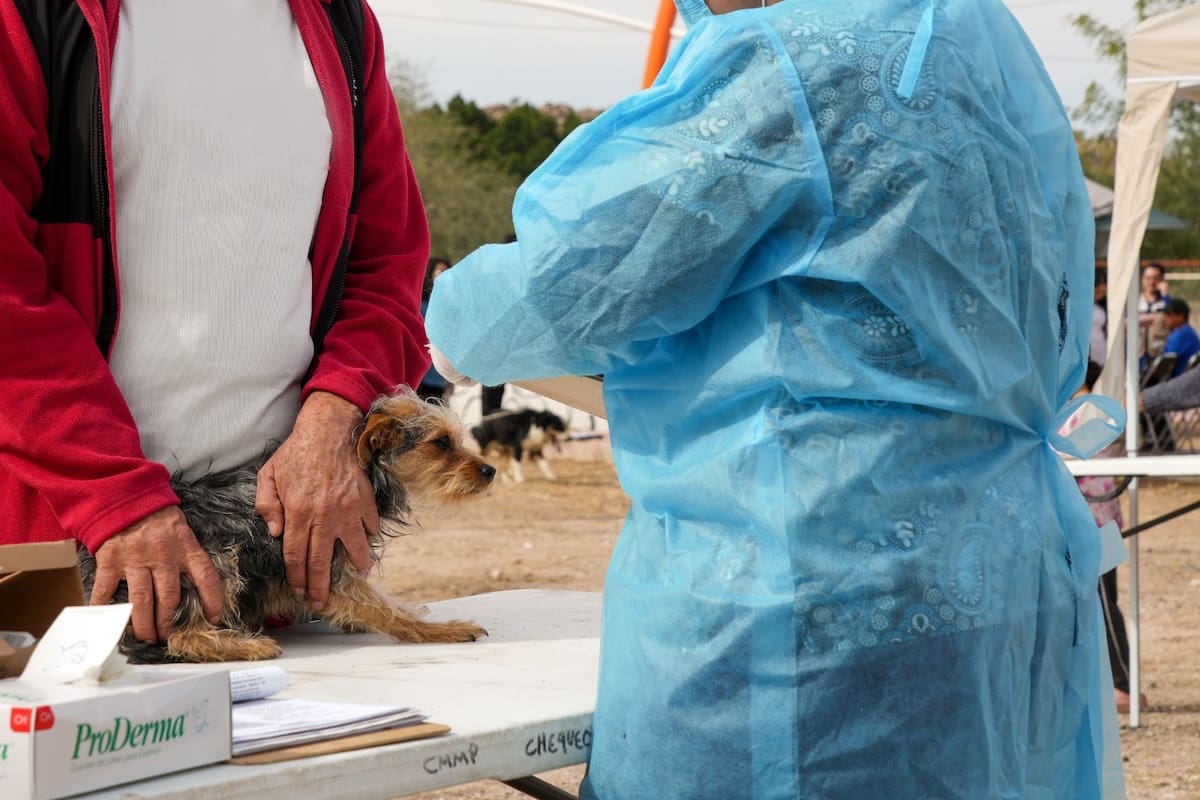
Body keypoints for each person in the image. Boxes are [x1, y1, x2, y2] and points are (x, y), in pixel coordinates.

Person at [427, 0, 1125, 797]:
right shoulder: (970, 45)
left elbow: (570, 281)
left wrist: (448, 323)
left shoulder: (789, 64)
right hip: (992, 575)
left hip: (805, 593)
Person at [0, 0, 431, 646]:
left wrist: (335, 418)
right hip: (70, 568)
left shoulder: (339, 17)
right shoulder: (28, 14)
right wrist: (115, 496)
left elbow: (387, 263)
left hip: (273, 580)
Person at [418, 257, 454, 402]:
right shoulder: (420, 305)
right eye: (439, 272)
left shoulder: (451, 308)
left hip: (438, 375)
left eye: (447, 272)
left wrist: (451, 377)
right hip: (419, 374)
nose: (443, 276)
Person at [1162, 298, 1200, 377]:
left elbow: (1164, 364)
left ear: (1181, 316)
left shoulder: (1179, 335)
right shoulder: (1189, 331)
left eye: (1169, 314)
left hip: (1180, 378)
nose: (1165, 317)